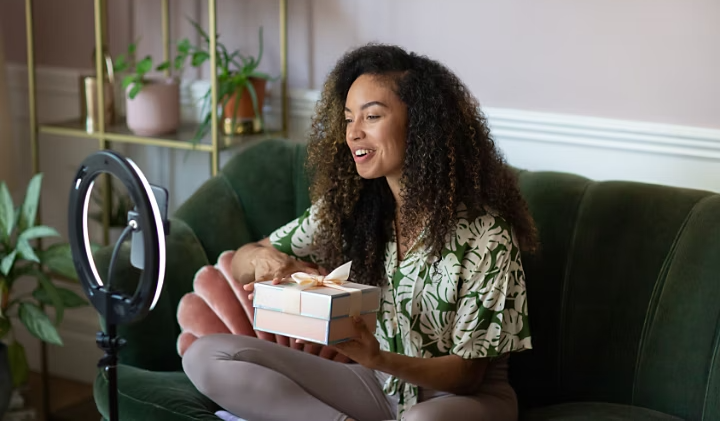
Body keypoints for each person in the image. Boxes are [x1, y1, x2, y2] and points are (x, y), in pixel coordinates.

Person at [182, 43, 538, 421]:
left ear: (420, 123)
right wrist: (265, 260)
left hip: (463, 400)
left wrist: (377, 357)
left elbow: (468, 375)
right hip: (379, 387)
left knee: (422, 420)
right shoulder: (354, 208)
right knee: (205, 356)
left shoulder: (487, 233)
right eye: (349, 118)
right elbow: (242, 260)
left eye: (371, 117)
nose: (353, 134)